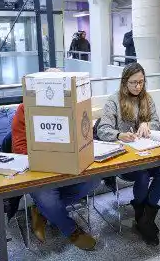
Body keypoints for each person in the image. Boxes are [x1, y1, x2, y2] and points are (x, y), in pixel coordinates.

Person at [12, 68, 98, 250]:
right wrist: (47, 155)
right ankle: (71, 230)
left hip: (68, 168)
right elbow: (18, 147)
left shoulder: (73, 106)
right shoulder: (25, 108)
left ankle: (41, 211)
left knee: (94, 181)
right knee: (49, 199)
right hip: (40, 172)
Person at [97, 63, 160, 246]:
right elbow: (103, 129)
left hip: (146, 152)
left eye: (142, 82)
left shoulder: (147, 98)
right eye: (134, 83)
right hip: (126, 159)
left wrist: (148, 125)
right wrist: (120, 135)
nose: (138, 87)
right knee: (143, 175)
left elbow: (156, 123)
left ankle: (145, 218)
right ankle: (141, 216)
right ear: (124, 82)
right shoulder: (114, 101)